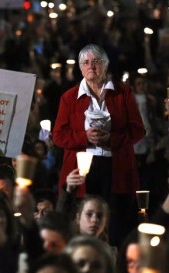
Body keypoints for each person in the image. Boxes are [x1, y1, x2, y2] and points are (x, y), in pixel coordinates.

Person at [52, 44, 145, 246]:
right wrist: (84, 137)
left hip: (116, 169)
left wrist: (110, 139)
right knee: (84, 223)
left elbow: (138, 130)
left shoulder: (123, 93)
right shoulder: (69, 98)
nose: (91, 66)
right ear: (80, 67)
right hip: (83, 169)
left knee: (116, 225)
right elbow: (58, 135)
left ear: (106, 65)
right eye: (86, 62)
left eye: (96, 62)